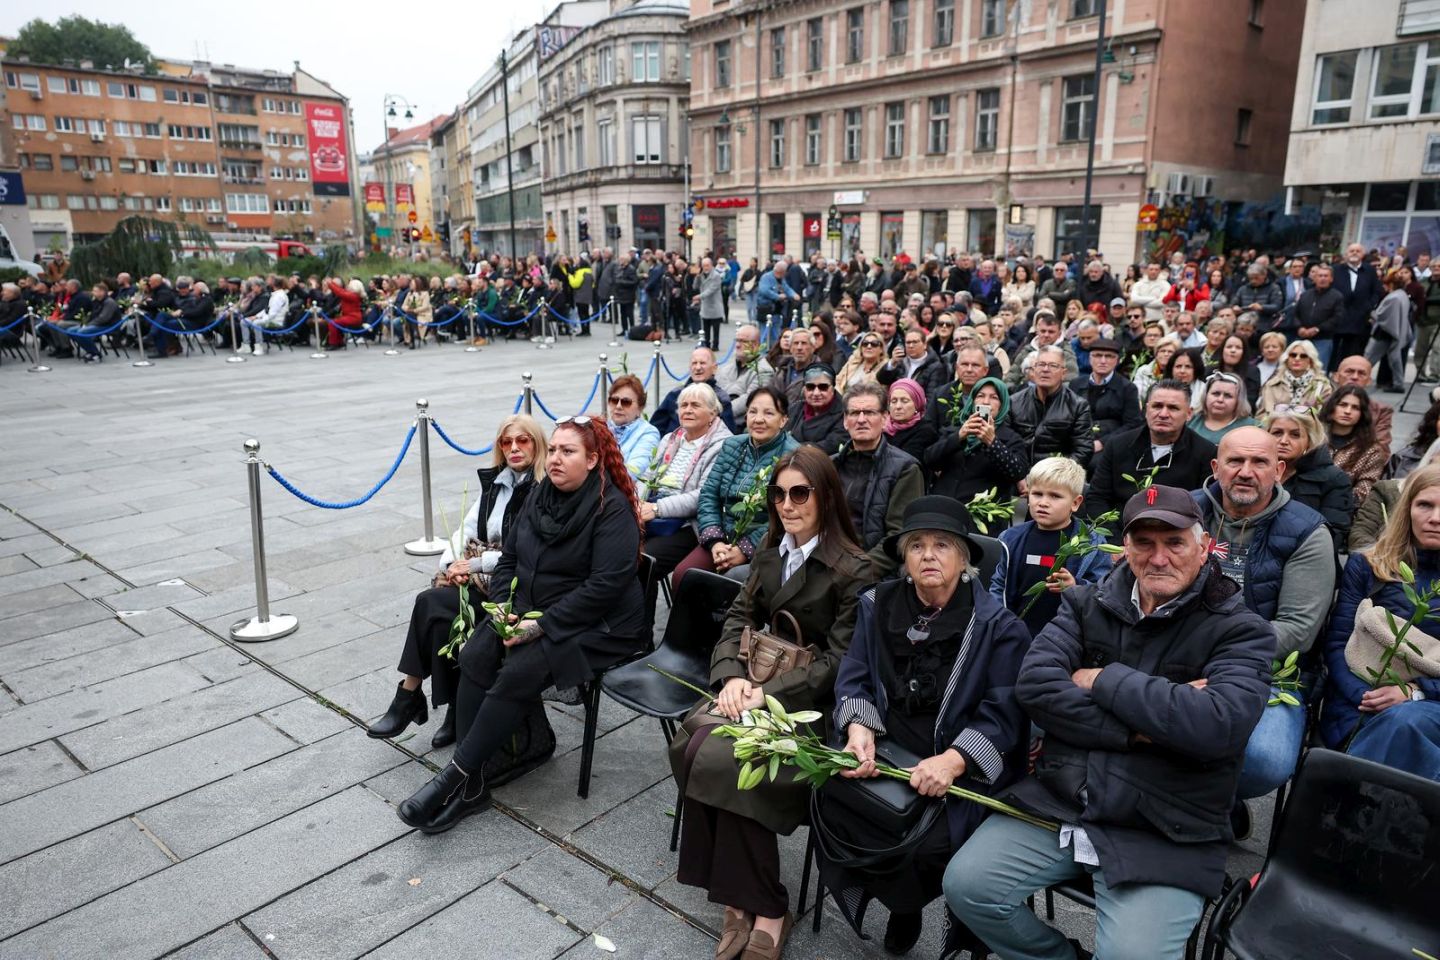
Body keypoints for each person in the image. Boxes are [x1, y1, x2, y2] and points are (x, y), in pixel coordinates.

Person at [945, 486, 1272, 960]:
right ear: (1126, 549)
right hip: (1065, 801)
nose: (1159, 558)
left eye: (1175, 542)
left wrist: (1100, 678)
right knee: (967, 887)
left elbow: (1217, 727)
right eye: (1144, 543)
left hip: (1165, 823)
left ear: (1203, 548)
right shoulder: (1085, 604)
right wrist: (1142, 726)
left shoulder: (1240, 629)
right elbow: (1035, 687)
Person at [671, 447, 873, 960]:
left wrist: (766, 693)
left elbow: (839, 660)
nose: (787, 504)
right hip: (755, 683)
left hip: (809, 706)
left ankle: (765, 906)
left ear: (825, 497)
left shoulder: (855, 568)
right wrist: (731, 678)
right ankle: (738, 897)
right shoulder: (771, 548)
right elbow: (737, 619)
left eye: (800, 493)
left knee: (725, 757)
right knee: (688, 745)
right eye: (779, 494)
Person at [398, 417, 646, 832]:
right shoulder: (540, 495)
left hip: (599, 625)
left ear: (592, 460)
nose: (555, 459)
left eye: (568, 452)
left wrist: (539, 626)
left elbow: (603, 588)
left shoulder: (612, 509)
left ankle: (452, 779)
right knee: (478, 649)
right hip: (530, 607)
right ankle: (475, 784)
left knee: (520, 669)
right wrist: (498, 608)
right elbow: (510, 559)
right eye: (554, 450)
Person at [827, 496, 1031, 955]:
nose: (928, 555)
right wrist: (859, 729)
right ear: (904, 557)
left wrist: (955, 760)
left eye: (943, 545)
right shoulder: (877, 604)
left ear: (964, 559)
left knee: (928, 844)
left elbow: (1005, 712)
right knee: (835, 797)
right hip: (886, 744)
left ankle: (905, 905)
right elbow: (854, 672)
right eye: (916, 545)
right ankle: (899, 901)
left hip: (955, 762)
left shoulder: (999, 627)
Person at [368, 415, 547, 749]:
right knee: (434, 609)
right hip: (479, 577)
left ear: (537, 444)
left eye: (523, 440)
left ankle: (412, 699)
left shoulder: (542, 489)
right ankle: (433, 703)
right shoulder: (496, 483)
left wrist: (477, 562)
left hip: (510, 590)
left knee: (437, 611)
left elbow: (524, 553)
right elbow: (465, 529)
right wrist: (451, 564)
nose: (514, 448)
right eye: (507, 442)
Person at [1193, 426, 1335, 832]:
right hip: (1173, 652)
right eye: (1236, 461)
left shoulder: (1308, 532)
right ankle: (1202, 805)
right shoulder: (1185, 510)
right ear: (1216, 467)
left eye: (1259, 462)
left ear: (1281, 470)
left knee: (1265, 759)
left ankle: (1217, 797)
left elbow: (1297, 631)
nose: (1246, 471)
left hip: (1269, 673)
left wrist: (1215, 657)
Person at [1321, 461, 1440, 780]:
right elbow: (1336, 643)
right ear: (1407, 510)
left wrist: (1416, 691)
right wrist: (1366, 697)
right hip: (1358, 699)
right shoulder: (1369, 566)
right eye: (1424, 505)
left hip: (1431, 703)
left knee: (1405, 724)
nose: (1435, 518)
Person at [679, 385, 801, 584]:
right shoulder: (732, 445)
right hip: (722, 536)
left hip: (765, 544)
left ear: (784, 420)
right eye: (752, 412)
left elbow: (782, 517)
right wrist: (716, 541)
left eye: (769, 413)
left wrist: (744, 550)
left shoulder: (793, 456)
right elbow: (709, 495)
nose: (758, 419)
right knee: (684, 575)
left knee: (726, 584)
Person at [636, 383, 733, 610]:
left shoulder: (723, 445)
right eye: (683, 405)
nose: (687, 410)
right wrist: (637, 503)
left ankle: (640, 637)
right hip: (654, 516)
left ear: (713, 413)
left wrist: (656, 509)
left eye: (695, 405)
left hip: (691, 524)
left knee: (644, 562)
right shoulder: (671, 438)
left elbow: (704, 495)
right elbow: (647, 476)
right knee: (616, 551)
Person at [991, 457, 1111, 638]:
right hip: (1015, 631)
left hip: (1063, 636)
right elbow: (999, 584)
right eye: (1037, 494)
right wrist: (999, 622)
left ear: (1075, 503)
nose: (1043, 502)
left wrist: (1076, 587)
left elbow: (1104, 589)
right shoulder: (1010, 538)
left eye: (1055, 496)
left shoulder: (1091, 543)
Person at [1087, 379, 1217, 518]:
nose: (1163, 414)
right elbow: (1097, 498)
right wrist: (1116, 537)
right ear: (1146, 409)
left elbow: (1205, 506)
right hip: (1120, 531)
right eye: (1157, 406)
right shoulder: (1117, 445)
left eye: (1173, 408)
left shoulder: (1205, 452)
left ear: (1189, 414)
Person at [831, 382, 925, 573]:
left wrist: (857, 570)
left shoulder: (905, 468)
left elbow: (899, 536)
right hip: (826, 560)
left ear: (884, 418)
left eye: (870, 412)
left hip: (869, 570)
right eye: (855, 413)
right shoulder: (830, 465)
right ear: (845, 420)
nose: (861, 419)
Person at [925, 377, 1030, 502]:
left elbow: (1018, 472)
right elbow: (930, 460)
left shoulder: (1011, 438)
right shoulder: (954, 430)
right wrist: (959, 437)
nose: (986, 402)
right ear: (972, 401)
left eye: (994, 397)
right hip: (944, 507)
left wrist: (993, 443)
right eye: (980, 396)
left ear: (1002, 405)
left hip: (983, 513)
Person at [1266, 407, 1354, 548]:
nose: (1283, 441)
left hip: (1307, 556)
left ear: (1310, 441)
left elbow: (1334, 534)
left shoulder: (1334, 479)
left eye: (1295, 435)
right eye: (1277, 433)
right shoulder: (1253, 471)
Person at [1009, 345, 1095, 469]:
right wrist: (1018, 475)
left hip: (1058, 477)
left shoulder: (1077, 406)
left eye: (1053, 365)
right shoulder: (1014, 402)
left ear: (1063, 373)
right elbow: (1006, 444)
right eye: (1041, 364)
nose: (1045, 369)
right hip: (1019, 473)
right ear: (1033, 370)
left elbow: (1083, 450)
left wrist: (1056, 475)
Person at [1069, 337, 1142, 454]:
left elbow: (1133, 424)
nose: (1103, 361)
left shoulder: (1127, 388)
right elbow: (1068, 417)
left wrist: (1102, 442)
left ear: (1117, 360)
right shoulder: (1076, 384)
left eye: (1109, 356)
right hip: (1077, 442)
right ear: (1090, 358)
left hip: (1111, 445)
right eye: (1098, 355)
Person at [1321, 385, 1388, 509]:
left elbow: (1365, 490)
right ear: (1332, 407)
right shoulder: (1315, 439)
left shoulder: (1371, 450)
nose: (1347, 411)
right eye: (1343, 405)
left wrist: (1332, 500)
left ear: (1362, 414)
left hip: (1342, 509)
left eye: (1355, 408)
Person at [651, 347, 739, 436]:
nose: (698, 367)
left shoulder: (721, 398)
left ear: (714, 368)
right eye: (694, 363)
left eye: (702, 363)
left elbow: (728, 434)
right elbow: (656, 427)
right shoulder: (675, 394)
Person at [1330, 242, 1383, 368]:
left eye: (1357, 251)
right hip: (1338, 317)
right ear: (1346, 254)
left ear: (1363, 254)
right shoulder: (1336, 269)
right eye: (1351, 251)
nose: (1354, 253)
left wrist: (1368, 306)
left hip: (1359, 319)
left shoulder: (1369, 270)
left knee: (1353, 352)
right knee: (1334, 351)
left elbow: (1376, 291)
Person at [605, 373, 662, 481]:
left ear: (640, 408)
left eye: (626, 402)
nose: (618, 406)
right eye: (614, 400)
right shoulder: (601, 428)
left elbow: (633, 472)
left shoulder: (648, 433)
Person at [1364, 268, 1413, 392]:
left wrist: (1372, 313)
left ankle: (1357, 380)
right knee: (1395, 360)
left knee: (1367, 359)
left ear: (1390, 284)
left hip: (1384, 332)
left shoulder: (1393, 298)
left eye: (1385, 284)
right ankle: (1398, 383)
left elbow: (1382, 316)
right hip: (1394, 330)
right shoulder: (1402, 295)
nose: (1383, 287)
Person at [1258, 339, 1334, 415]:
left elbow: (1324, 416)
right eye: (1293, 355)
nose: (1297, 359)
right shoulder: (1272, 385)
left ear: (1310, 361)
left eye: (1303, 356)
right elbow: (1261, 415)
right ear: (1287, 359)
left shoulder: (1322, 386)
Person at [1332, 354, 1394, 447]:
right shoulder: (1319, 404)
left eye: (1361, 373)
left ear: (1369, 381)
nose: (1355, 377)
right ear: (1336, 376)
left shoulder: (1381, 411)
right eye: (1349, 371)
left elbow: (1382, 448)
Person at [715, 324, 774, 420]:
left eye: (743, 341)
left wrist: (718, 412)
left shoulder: (764, 371)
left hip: (740, 422)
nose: (738, 345)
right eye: (737, 340)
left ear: (755, 345)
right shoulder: (728, 367)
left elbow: (750, 400)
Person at [787, 363, 848, 454]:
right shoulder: (795, 408)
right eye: (810, 387)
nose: (816, 393)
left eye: (823, 387)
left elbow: (832, 444)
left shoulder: (845, 413)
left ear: (833, 389)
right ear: (804, 389)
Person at [1294, 263, 1345, 369]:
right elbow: (1295, 314)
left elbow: (1337, 318)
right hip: (1302, 338)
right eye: (1320, 276)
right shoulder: (1305, 295)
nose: (1322, 278)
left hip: (1323, 339)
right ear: (1314, 278)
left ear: (1331, 279)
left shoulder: (1337, 296)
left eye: (1326, 276)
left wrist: (1318, 329)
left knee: (1319, 368)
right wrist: (1299, 327)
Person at [1188, 371, 1259, 445]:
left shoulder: (1252, 427)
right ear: (1206, 395)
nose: (1220, 400)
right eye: (1216, 393)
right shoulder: (1190, 420)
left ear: (1238, 400)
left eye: (1228, 396)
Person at [878, 327, 949, 398]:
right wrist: (892, 363)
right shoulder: (900, 362)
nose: (911, 346)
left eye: (915, 342)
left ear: (924, 345)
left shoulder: (936, 367)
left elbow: (931, 397)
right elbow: (882, 380)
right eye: (908, 342)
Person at [885, 378, 939, 462]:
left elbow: (904, 463)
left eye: (905, 401)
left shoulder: (925, 431)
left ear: (917, 405)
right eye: (894, 401)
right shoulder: (883, 427)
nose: (898, 406)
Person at [1131, 334, 1181, 401]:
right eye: (1162, 351)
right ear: (1156, 354)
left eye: (1170, 352)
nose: (1166, 354)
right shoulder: (1144, 371)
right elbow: (1136, 394)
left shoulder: (1180, 373)